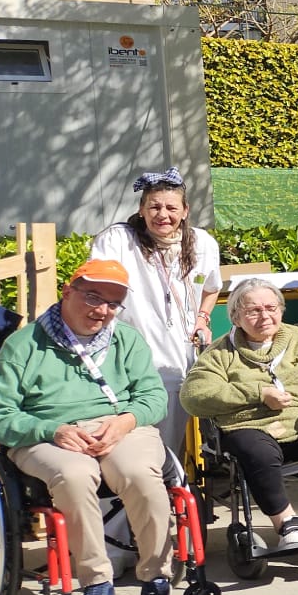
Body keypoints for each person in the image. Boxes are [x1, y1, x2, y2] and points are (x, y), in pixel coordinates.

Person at [0, 260, 173, 595]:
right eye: (93, 297)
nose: (102, 310)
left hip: (118, 425)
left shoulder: (126, 339)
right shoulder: (25, 344)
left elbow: (154, 397)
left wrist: (126, 421)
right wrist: (51, 431)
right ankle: (96, 582)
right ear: (67, 291)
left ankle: (156, 577)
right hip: (46, 432)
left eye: (113, 303)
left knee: (137, 471)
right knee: (74, 475)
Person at [182, 278, 298, 555]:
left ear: (281, 310)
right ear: (236, 316)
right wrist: (257, 392)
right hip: (251, 427)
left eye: (271, 308)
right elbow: (193, 395)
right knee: (254, 448)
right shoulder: (219, 352)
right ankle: (286, 523)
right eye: (253, 310)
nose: (264, 316)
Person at [87, 167, 222, 449]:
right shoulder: (118, 240)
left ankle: (169, 488)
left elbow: (212, 287)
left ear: (185, 210)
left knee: (169, 442)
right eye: (154, 206)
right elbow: (97, 285)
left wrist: (202, 318)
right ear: (141, 209)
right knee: (128, 438)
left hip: (177, 357)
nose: (163, 214)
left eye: (171, 207)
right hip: (127, 356)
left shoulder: (203, 244)